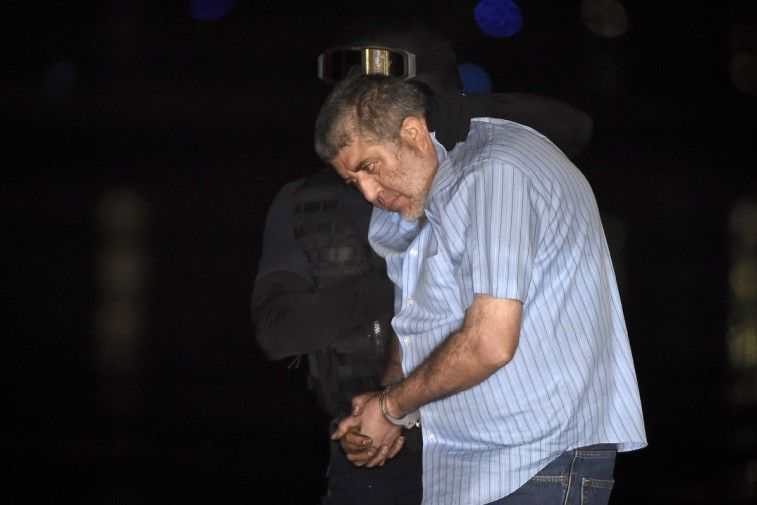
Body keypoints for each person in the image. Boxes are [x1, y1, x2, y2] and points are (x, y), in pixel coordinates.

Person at [252, 19, 597, 505]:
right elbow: (276, 332)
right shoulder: (310, 200)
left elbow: (575, 128)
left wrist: (465, 119)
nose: (370, 190)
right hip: (378, 434)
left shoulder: (485, 168)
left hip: (493, 443)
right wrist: (387, 394)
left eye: (383, 95)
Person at [314, 73, 647, 505]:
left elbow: (490, 343)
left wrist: (392, 407)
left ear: (412, 133)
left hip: (540, 463)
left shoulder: (496, 171)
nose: (368, 192)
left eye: (369, 167)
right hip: (472, 466)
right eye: (353, 181)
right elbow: (417, 314)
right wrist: (389, 405)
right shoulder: (424, 189)